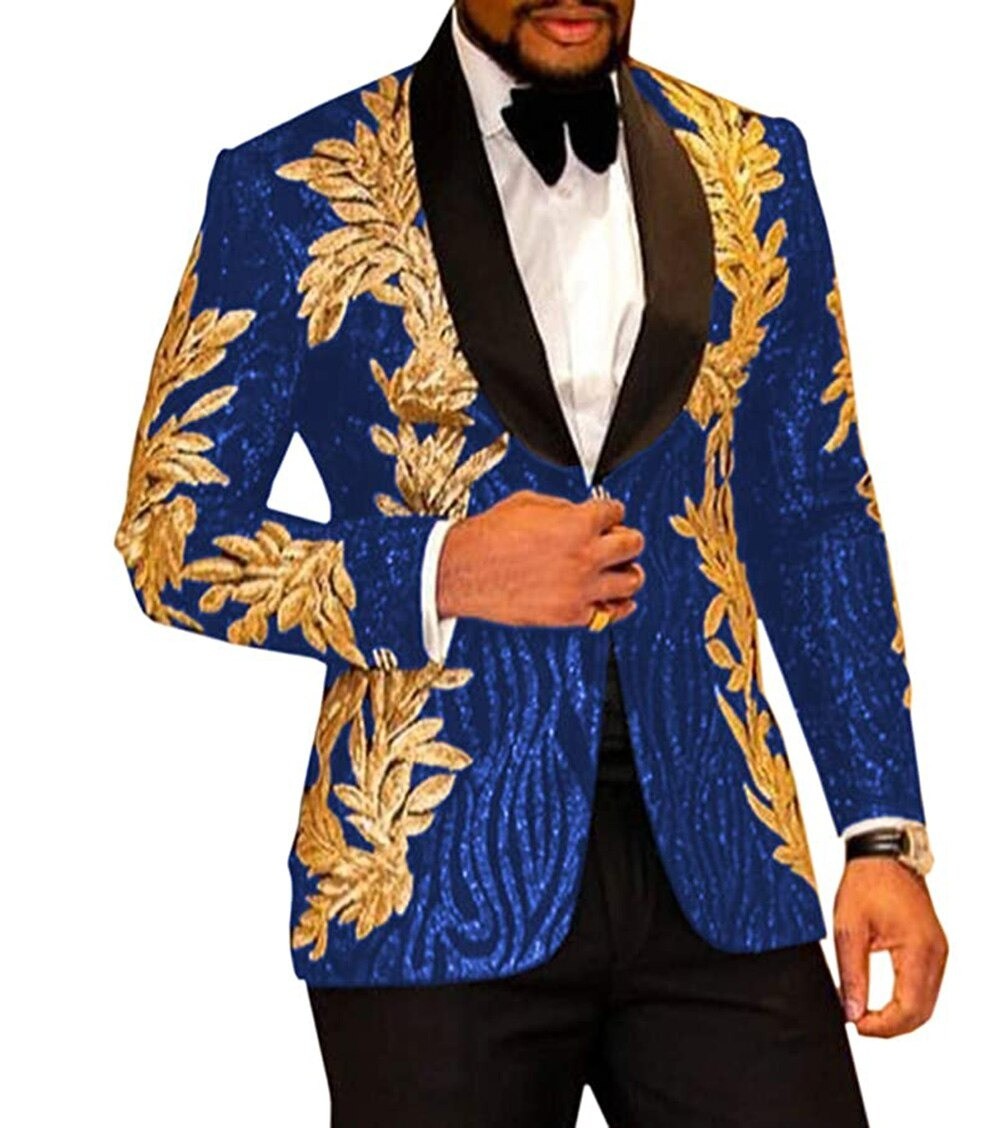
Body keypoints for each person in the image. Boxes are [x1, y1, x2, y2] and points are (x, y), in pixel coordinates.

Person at [113, 1, 948, 1123]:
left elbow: (815, 517)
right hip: (424, 882)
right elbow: (170, 531)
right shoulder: (293, 188)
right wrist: (440, 569)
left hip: (724, 862)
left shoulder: (754, 167)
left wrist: (881, 830)